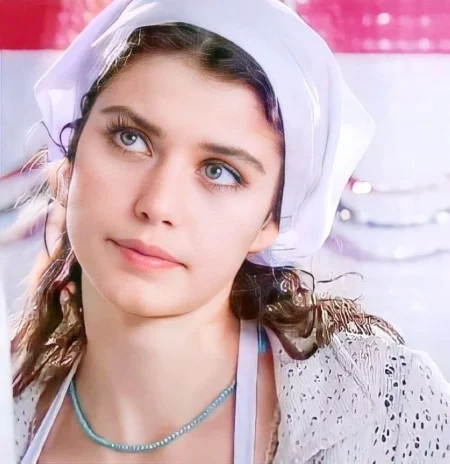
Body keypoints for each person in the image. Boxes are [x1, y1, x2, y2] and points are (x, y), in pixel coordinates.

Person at [9, 0, 450, 463]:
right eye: (130, 138)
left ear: (272, 221)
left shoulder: (383, 411)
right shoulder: (11, 414)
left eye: (219, 171)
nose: (158, 204)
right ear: (69, 162)